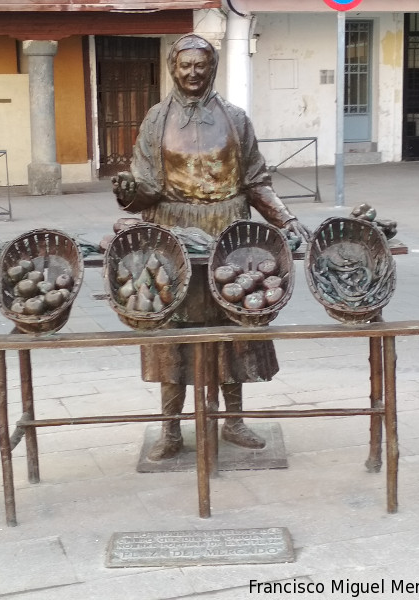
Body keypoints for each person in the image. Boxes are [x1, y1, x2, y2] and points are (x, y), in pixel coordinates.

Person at [112, 33, 311, 461]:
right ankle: (169, 428)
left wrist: (286, 219)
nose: (193, 72)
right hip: (172, 233)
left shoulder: (236, 118)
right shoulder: (155, 119)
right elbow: (145, 189)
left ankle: (232, 421)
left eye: (200, 65)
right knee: (171, 328)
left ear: (213, 67)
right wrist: (130, 194)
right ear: (172, 68)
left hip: (229, 234)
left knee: (234, 324)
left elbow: (256, 181)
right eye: (185, 66)